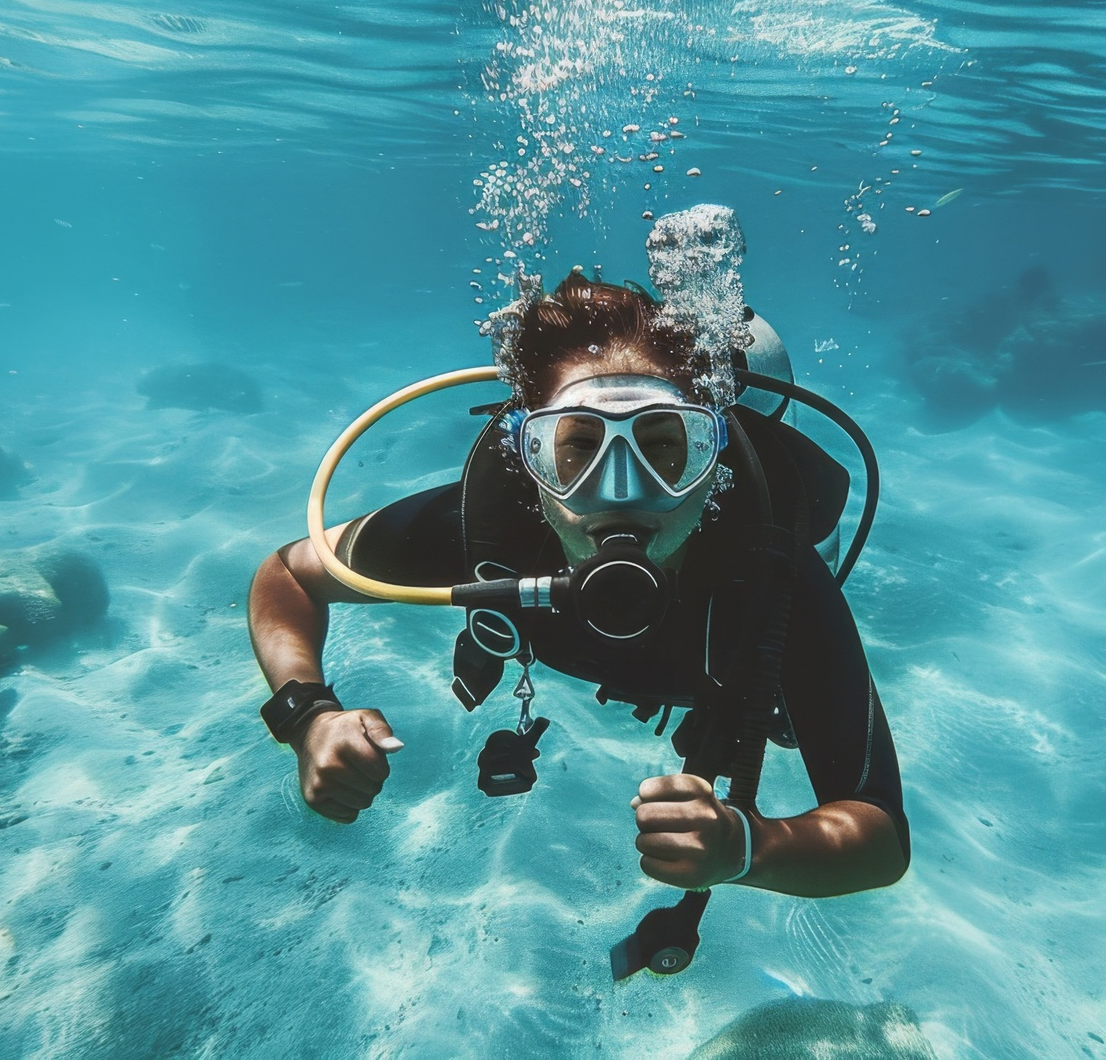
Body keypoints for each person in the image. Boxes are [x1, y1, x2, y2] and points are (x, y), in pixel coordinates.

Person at [246, 224, 907, 912]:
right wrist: (308, 716)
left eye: (664, 446)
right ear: (528, 460)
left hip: (744, 638)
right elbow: (286, 577)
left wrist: (751, 846)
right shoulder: (489, 527)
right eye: (578, 448)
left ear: (711, 463)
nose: (620, 491)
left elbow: (881, 836)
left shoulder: (774, 580)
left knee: (780, 717)